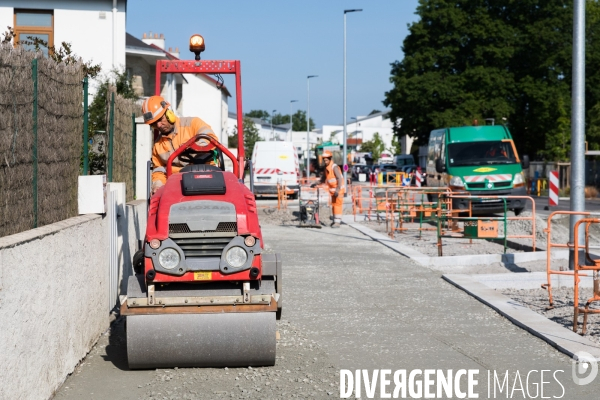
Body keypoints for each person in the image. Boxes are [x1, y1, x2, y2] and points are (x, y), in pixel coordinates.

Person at [142, 96, 220, 194]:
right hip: (176, 185)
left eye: (160, 119)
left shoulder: (193, 123)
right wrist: (158, 184)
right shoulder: (158, 146)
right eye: (153, 124)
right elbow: (159, 171)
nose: (158, 125)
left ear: (169, 113)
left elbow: (210, 138)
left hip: (205, 175)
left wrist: (192, 149)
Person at [311, 150, 345, 228]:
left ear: (330, 159)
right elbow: (323, 179)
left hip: (338, 190)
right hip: (333, 190)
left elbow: (339, 178)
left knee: (337, 205)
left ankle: (337, 222)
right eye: (324, 160)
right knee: (334, 205)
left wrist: (337, 190)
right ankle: (335, 221)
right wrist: (315, 183)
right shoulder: (326, 168)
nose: (325, 161)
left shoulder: (334, 167)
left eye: (326, 160)